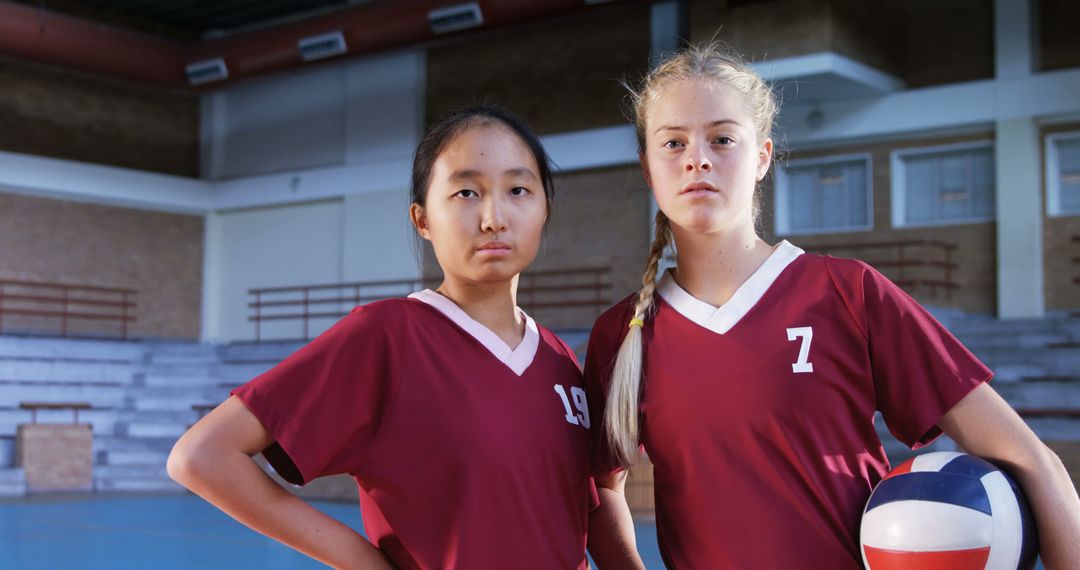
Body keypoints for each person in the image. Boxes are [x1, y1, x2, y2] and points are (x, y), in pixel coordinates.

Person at [584, 43, 1080, 569]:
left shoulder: (846, 292)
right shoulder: (624, 333)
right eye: (673, 142)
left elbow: (1030, 461)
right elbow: (601, 488)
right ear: (647, 168)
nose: (697, 158)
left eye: (723, 138)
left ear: (762, 157)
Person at [168, 106, 596, 569]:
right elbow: (202, 456)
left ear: (544, 209)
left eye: (518, 190)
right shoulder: (386, 337)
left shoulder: (559, 359)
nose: (494, 217)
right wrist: (361, 560)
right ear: (423, 220)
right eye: (466, 192)